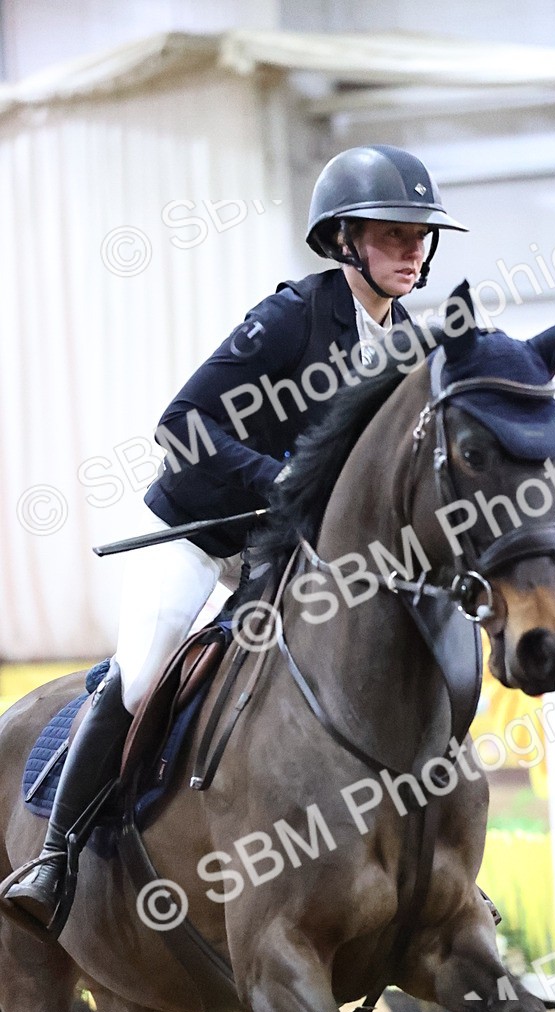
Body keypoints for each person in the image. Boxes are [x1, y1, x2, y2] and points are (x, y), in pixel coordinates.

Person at [6, 144, 467, 929]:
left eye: (421, 236)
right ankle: (55, 858)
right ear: (345, 239)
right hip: (196, 530)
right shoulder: (290, 317)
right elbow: (180, 424)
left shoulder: (406, 344)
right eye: (393, 233)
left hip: (281, 549)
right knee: (142, 671)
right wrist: (273, 479)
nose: (412, 249)